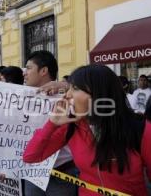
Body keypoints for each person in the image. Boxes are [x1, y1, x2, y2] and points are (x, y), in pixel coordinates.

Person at [23, 65, 151, 196]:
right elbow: (31, 156)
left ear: (99, 93)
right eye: (69, 88)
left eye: (75, 88)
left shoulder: (140, 129)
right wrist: (51, 124)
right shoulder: (72, 125)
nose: (67, 95)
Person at [23, 50, 76, 196]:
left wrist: (66, 85)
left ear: (44, 70)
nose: (24, 73)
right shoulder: (18, 99)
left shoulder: (70, 98)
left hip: (62, 173)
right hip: (32, 172)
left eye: (28, 68)